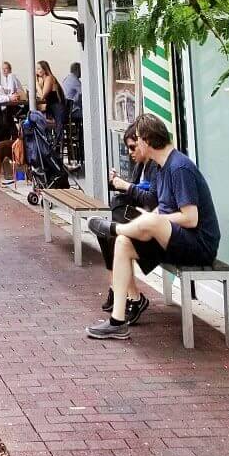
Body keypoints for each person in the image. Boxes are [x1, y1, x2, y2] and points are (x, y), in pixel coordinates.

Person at [87, 112, 221, 340]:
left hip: (197, 245)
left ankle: (114, 228)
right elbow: (162, 209)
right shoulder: (161, 167)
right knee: (123, 243)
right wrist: (145, 223)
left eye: (137, 139)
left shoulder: (180, 167)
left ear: (148, 140)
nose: (135, 145)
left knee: (144, 222)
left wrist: (153, 222)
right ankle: (117, 321)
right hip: (173, 240)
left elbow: (191, 218)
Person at [96, 123, 159, 319]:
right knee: (110, 228)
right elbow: (136, 193)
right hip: (141, 220)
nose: (130, 152)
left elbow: (151, 199)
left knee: (115, 229)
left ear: (144, 142)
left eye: (133, 147)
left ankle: (126, 292)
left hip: (154, 225)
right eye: (128, 148)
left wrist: (127, 186)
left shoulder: (157, 166)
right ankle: (118, 286)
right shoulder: (141, 165)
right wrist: (118, 183)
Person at [36, 60, 67, 139]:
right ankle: (48, 141)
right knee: (40, 118)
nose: (37, 71)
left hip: (57, 109)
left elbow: (42, 95)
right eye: (36, 69)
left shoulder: (49, 78)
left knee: (42, 120)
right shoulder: (45, 80)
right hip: (51, 108)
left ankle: (52, 142)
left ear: (44, 69)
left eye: (39, 68)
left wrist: (36, 84)